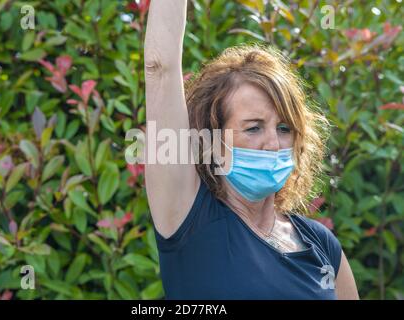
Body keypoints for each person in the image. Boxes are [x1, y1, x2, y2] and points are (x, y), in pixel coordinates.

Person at [143, 0, 359, 300]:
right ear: (214, 143)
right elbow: (160, 67)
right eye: (253, 127)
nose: (273, 143)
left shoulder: (322, 244)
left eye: (284, 128)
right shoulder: (189, 220)